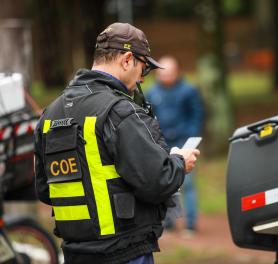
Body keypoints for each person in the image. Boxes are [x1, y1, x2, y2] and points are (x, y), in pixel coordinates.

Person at [34, 23, 200, 264]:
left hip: (74, 253)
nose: (143, 78)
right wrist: (179, 162)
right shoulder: (119, 111)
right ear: (127, 60)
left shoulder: (50, 114)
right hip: (125, 252)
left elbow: (45, 190)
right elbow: (158, 179)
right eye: (144, 69)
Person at [146, 56, 204, 233]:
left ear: (177, 72)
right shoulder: (151, 92)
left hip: (183, 141)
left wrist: (190, 136)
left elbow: (197, 115)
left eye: (170, 73)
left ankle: (191, 223)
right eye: (162, 73)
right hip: (162, 143)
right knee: (166, 182)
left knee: (187, 183)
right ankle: (169, 222)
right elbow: (148, 118)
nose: (166, 76)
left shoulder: (189, 90)